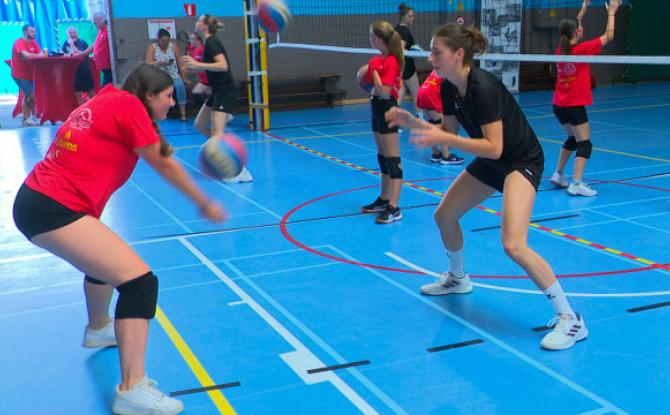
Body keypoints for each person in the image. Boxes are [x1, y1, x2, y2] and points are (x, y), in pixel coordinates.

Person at [12, 62, 225, 414]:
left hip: (41, 200)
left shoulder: (109, 98)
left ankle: (98, 327)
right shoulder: (128, 105)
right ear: (148, 95)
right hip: (53, 206)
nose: (172, 103)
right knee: (140, 283)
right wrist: (204, 201)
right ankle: (132, 389)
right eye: (168, 96)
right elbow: (164, 161)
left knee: (107, 262)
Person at [386, 23, 587, 350]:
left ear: (459, 54)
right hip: (495, 160)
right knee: (444, 216)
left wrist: (441, 137)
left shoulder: (484, 86)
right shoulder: (448, 87)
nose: (430, 56)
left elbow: (493, 146)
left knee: (513, 244)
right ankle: (458, 278)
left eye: (437, 51)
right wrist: (419, 123)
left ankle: (571, 319)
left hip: (521, 159)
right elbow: (448, 130)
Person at [549, 0, 620, 197]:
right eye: (580, 27)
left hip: (559, 105)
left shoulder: (560, 49)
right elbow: (609, 35)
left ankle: (558, 174)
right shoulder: (582, 50)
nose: (583, 28)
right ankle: (576, 183)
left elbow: (572, 24)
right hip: (573, 105)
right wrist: (612, 12)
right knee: (585, 144)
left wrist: (584, 9)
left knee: (572, 139)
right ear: (576, 33)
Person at [183, 15, 253, 183]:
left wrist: (199, 65)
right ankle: (218, 151)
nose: (196, 22)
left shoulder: (212, 42)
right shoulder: (208, 43)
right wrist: (195, 70)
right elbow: (212, 70)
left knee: (218, 134)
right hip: (216, 91)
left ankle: (238, 170)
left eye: (199, 20)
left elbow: (223, 66)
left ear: (205, 25)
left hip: (225, 91)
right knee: (199, 124)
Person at [360, 20, 404, 224]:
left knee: (393, 160)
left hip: (387, 109)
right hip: (376, 108)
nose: (370, 39)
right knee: (382, 157)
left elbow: (384, 90)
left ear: (380, 39)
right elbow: (364, 82)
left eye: (372, 36)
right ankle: (384, 199)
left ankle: (394, 208)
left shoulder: (392, 61)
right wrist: (369, 71)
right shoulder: (379, 59)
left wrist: (374, 71)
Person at [416, 69, 463, 165]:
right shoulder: (453, 69)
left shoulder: (440, 65)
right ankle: (446, 156)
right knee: (442, 125)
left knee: (432, 124)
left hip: (422, 91)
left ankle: (436, 153)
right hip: (431, 93)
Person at [145, 28, 188, 121]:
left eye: (167, 41)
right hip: (159, 77)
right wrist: (158, 63)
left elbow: (179, 63)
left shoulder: (173, 46)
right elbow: (148, 63)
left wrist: (183, 77)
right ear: (158, 39)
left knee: (179, 86)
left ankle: (183, 112)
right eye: (163, 41)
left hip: (173, 74)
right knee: (160, 90)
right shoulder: (152, 47)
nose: (165, 43)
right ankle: (160, 112)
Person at [11, 24, 41, 126]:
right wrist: (34, 55)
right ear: (25, 32)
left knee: (27, 95)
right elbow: (26, 55)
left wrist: (33, 56)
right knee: (31, 95)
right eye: (31, 31)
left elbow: (41, 54)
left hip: (30, 75)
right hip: (19, 74)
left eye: (34, 31)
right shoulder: (18, 42)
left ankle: (26, 119)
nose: (34, 33)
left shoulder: (34, 43)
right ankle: (32, 115)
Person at [394, 3, 421, 115]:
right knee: (417, 94)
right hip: (407, 67)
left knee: (401, 92)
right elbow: (400, 50)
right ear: (403, 16)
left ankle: (392, 118)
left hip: (399, 66)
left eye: (413, 16)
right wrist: (402, 69)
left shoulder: (396, 28)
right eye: (410, 16)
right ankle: (420, 119)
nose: (412, 18)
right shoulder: (405, 31)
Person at [62, 26, 96, 106]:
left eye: (74, 32)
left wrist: (72, 44)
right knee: (78, 94)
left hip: (84, 71)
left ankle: (96, 109)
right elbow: (64, 54)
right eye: (70, 33)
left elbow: (79, 53)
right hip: (74, 72)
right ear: (67, 34)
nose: (73, 34)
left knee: (91, 94)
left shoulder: (82, 42)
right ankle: (82, 112)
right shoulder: (65, 44)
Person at [77, 13, 112, 86]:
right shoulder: (100, 32)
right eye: (94, 22)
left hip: (109, 66)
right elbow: (95, 45)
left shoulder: (108, 30)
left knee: (106, 86)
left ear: (103, 20)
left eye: (97, 21)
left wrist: (82, 53)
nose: (95, 23)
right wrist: (82, 54)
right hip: (103, 66)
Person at [185, 32, 211, 100]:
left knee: (197, 95)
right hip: (204, 80)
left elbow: (205, 66)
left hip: (210, 79)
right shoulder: (195, 51)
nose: (190, 41)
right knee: (198, 95)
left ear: (199, 41)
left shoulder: (203, 50)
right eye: (190, 39)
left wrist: (191, 69)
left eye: (192, 39)